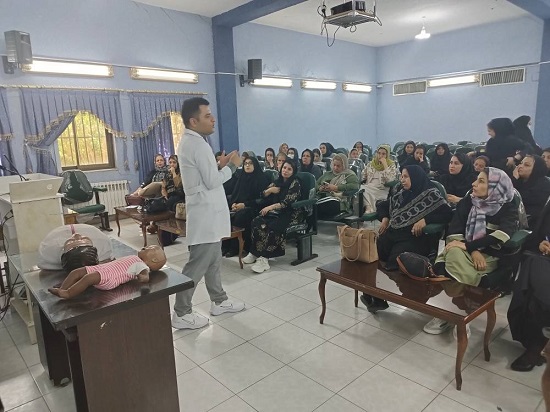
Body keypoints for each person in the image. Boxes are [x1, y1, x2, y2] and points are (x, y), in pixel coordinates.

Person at [171, 97, 245, 330]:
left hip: (207, 211)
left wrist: (218, 165)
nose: (213, 119)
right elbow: (212, 181)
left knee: (213, 260)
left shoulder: (193, 142)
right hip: (205, 213)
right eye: (207, 115)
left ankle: (219, 300)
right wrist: (232, 166)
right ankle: (181, 312)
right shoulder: (198, 145)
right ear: (193, 121)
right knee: (197, 264)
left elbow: (205, 176)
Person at [423, 168, 519, 335]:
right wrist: (472, 249)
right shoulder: (468, 201)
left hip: (489, 256)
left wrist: (470, 247)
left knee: (448, 264)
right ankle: (462, 312)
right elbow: (455, 230)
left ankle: (450, 313)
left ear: (495, 187)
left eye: (481, 181)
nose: (474, 184)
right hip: (464, 251)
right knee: (453, 252)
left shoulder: (507, 207)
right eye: (476, 179)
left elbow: (502, 235)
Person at [360, 165, 452, 313]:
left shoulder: (431, 194)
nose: (402, 180)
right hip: (393, 233)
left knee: (394, 263)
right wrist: (385, 218)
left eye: (406, 177)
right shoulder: (400, 192)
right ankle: (370, 292)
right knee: (372, 257)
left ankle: (382, 297)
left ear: (415, 177)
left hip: (414, 238)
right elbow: (384, 205)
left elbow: (447, 214)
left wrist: (425, 220)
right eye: (401, 176)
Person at [507, 200, 550, 371]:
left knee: (539, 296)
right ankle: (536, 344)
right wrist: (541, 243)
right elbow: (540, 233)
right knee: (532, 271)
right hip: (544, 259)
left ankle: (535, 347)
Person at [243, 160, 303, 273]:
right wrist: (270, 190)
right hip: (276, 212)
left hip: (291, 213)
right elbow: (262, 194)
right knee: (257, 221)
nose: (285, 171)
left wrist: (270, 207)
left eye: (289, 169)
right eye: (284, 168)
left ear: (293, 171)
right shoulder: (277, 181)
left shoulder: (295, 183)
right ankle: (255, 252)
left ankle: (265, 258)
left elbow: (287, 203)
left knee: (273, 227)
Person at [48, 245, 166, 299]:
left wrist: (143, 277)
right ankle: (62, 288)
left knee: (87, 279)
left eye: (149, 248)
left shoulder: (142, 265)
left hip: (110, 276)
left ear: (154, 260)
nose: (145, 247)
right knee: (76, 272)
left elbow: (145, 275)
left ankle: (68, 293)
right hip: (103, 268)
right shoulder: (135, 258)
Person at [224, 156, 269, 256]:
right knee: (225, 214)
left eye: (250, 163)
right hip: (240, 207)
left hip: (254, 208)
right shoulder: (241, 178)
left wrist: (244, 205)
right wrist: (234, 204)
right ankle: (225, 246)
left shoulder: (261, 179)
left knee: (241, 216)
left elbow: (261, 199)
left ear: (255, 165)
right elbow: (235, 194)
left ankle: (236, 247)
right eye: (245, 163)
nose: (247, 165)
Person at [38, 224, 113, 271]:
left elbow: (44, 265)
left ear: (63, 251)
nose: (77, 235)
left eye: (71, 241)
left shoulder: (49, 248)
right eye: (83, 239)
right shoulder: (102, 241)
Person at [316, 153, 359, 218]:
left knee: (320, 207)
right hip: (323, 197)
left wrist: (337, 188)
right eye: (334, 165)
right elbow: (316, 183)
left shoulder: (349, 175)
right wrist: (320, 188)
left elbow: (355, 186)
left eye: (338, 166)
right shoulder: (327, 174)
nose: (335, 168)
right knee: (313, 205)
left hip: (339, 201)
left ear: (344, 165)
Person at [512, 155, 550, 228]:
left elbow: (519, 200)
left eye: (526, 165)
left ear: (537, 169)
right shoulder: (519, 181)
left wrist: (514, 181)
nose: (520, 166)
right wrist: (514, 180)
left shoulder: (544, 185)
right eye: (521, 163)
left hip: (533, 225)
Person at [361, 144, 398, 213]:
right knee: (360, 189)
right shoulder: (371, 164)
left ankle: (369, 208)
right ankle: (368, 207)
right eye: (379, 153)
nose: (380, 156)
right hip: (369, 186)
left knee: (363, 190)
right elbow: (363, 176)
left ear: (387, 155)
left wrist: (385, 165)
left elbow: (390, 180)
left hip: (381, 189)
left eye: (383, 154)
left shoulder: (391, 165)